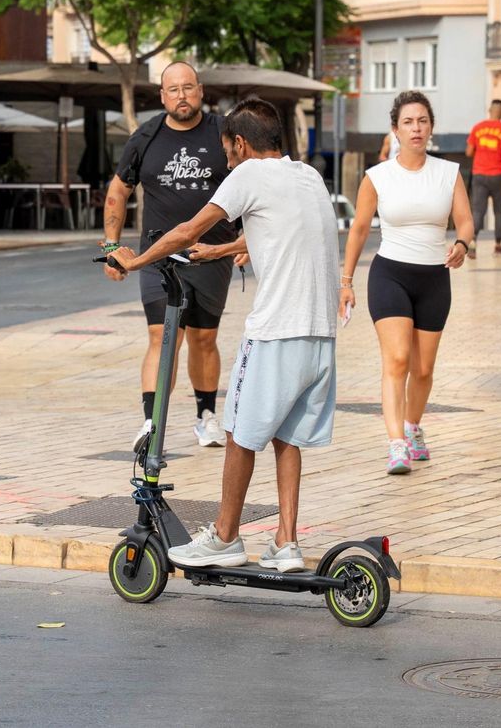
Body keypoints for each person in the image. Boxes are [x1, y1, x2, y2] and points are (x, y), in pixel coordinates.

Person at [109, 97, 338, 572]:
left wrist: (135, 261)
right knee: (286, 436)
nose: (226, 161)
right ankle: (286, 542)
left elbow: (186, 229)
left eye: (227, 151)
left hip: (275, 331)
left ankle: (226, 536)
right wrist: (220, 251)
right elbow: (281, 229)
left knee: (238, 431)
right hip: (319, 334)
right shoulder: (308, 176)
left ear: (240, 143)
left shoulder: (249, 174)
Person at [101, 61, 236, 449]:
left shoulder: (224, 132)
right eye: (173, 89)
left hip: (210, 253)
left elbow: (250, 184)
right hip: (158, 256)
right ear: (162, 96)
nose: (182, 96)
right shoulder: (145, 137)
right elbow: (118, 190)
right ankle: (151, 422)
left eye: (188, 87)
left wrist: (243, 239)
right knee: (162, 335)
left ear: (200, 91)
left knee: (204, 339)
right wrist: (111, 247)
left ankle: (206, 416)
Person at [341, 91, 475, 475]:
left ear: (431, 127)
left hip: (434, 277)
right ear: (395, 130)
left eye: (422, 121)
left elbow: (465, 221)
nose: (416, 128)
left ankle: (413, 426)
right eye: (408, 122)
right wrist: (346, 281)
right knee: (397, 359)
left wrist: (462, 244)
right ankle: (396, 443)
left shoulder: (448, 173)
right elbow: (359, 229)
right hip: (390, 275)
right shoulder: (377, 176)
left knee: (423, 369)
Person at [464, 99, 501, 257]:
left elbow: (468, 152)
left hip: (479, 174)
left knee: (478, 211)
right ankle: (498, 246)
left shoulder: (478, 128)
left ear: (490, 110)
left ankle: (472, 243)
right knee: (499, 211)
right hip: (498, 175)